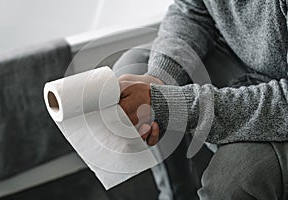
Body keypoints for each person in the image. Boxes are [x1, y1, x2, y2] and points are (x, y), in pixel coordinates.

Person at [115, 0, 288, 199]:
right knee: (134, 66)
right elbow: (191, 12)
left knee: (231, 180)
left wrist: (171, 105)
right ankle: (177, 195)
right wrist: (158, 78)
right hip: (243, 62)